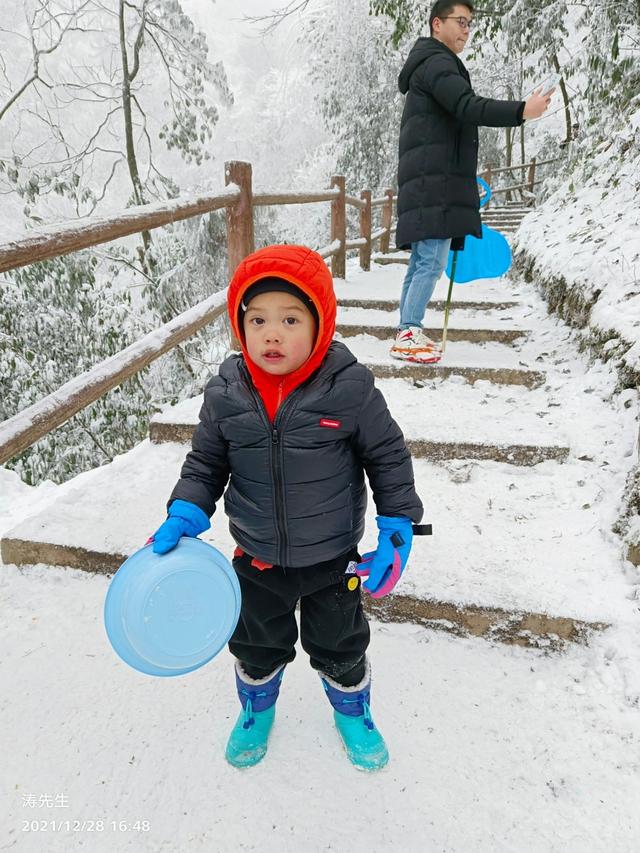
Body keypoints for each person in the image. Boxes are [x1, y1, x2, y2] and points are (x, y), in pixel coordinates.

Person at [151, 244, 423, 771]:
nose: (271, 333)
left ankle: (352, 709)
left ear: (320, 325)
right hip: (256, 557)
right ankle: (256, 709)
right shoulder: (226, 392)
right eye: (257, 320)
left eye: (290, 318)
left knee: (341, 644)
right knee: (254, 645)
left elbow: (388, 454)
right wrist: (186, 510)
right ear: (240, 326)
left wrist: (396, 524)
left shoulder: (348, 387)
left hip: (332, 557)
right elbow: (206, 463)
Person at [392, 0, 554, 363]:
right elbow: (468, 106)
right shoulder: (437, 62)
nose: (467, 29)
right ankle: (408, 332)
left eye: (470, 23)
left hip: (430, 178)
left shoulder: (432, 63)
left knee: (423, 260)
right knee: (431, 261)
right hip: (434, 181)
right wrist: (520, 111)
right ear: (437, 24)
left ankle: (408, 327)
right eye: (460, 21)